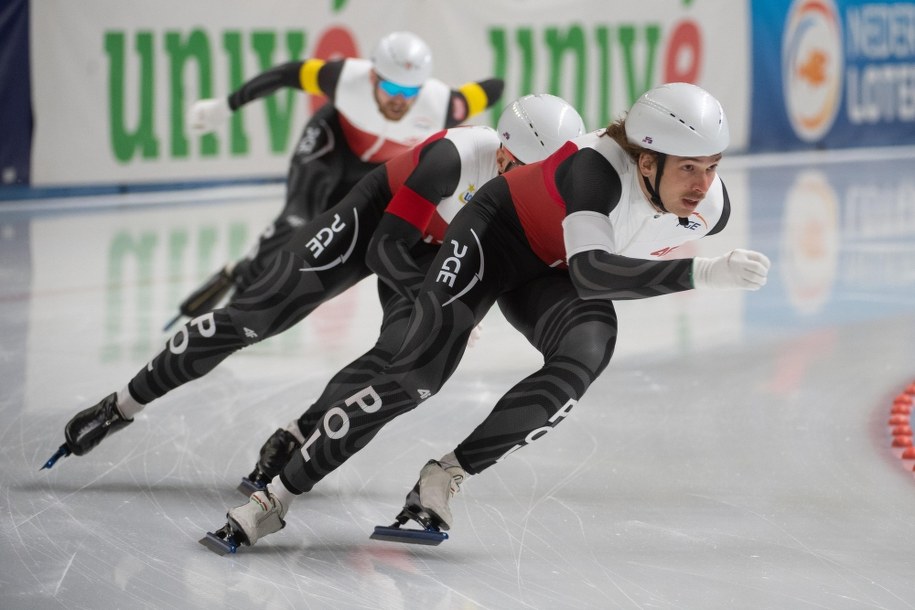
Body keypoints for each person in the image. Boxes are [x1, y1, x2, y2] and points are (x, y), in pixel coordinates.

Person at [212, 82, 771, 550]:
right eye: (691, 169)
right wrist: (702, 273)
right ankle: (274, 499)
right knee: (417, 378)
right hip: (496, 235)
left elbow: (584, 272)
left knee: (586, 356)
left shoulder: (710, 209)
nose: (703, 186)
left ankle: (445, 476)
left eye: (714, 167)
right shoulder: (594, 171)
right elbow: (594, 275)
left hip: (552, 266)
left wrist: (701, 256)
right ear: (645, 161)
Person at [43, 94, 586, 473]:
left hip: (434, 252)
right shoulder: (453, 158)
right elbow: (383, 251)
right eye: (522, 171)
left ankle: (300, 434)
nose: (531, 186)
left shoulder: (549, 184)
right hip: (378, 226)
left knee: (400, 354)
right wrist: (439, 299)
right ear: (502, 152)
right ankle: (121, 405)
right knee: (254, 319)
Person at [167, 31, 504, 328]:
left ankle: (240, 274)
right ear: (372, 77)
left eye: (410, 91)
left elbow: (494, 87)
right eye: (390, 86)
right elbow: (285, 74)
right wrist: (222, 108)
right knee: (295, 221)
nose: (400, 99)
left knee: (328, 236)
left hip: (375, 170)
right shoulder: (342, 76)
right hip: (330, 148)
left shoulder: (444, 102)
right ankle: (237, 302)